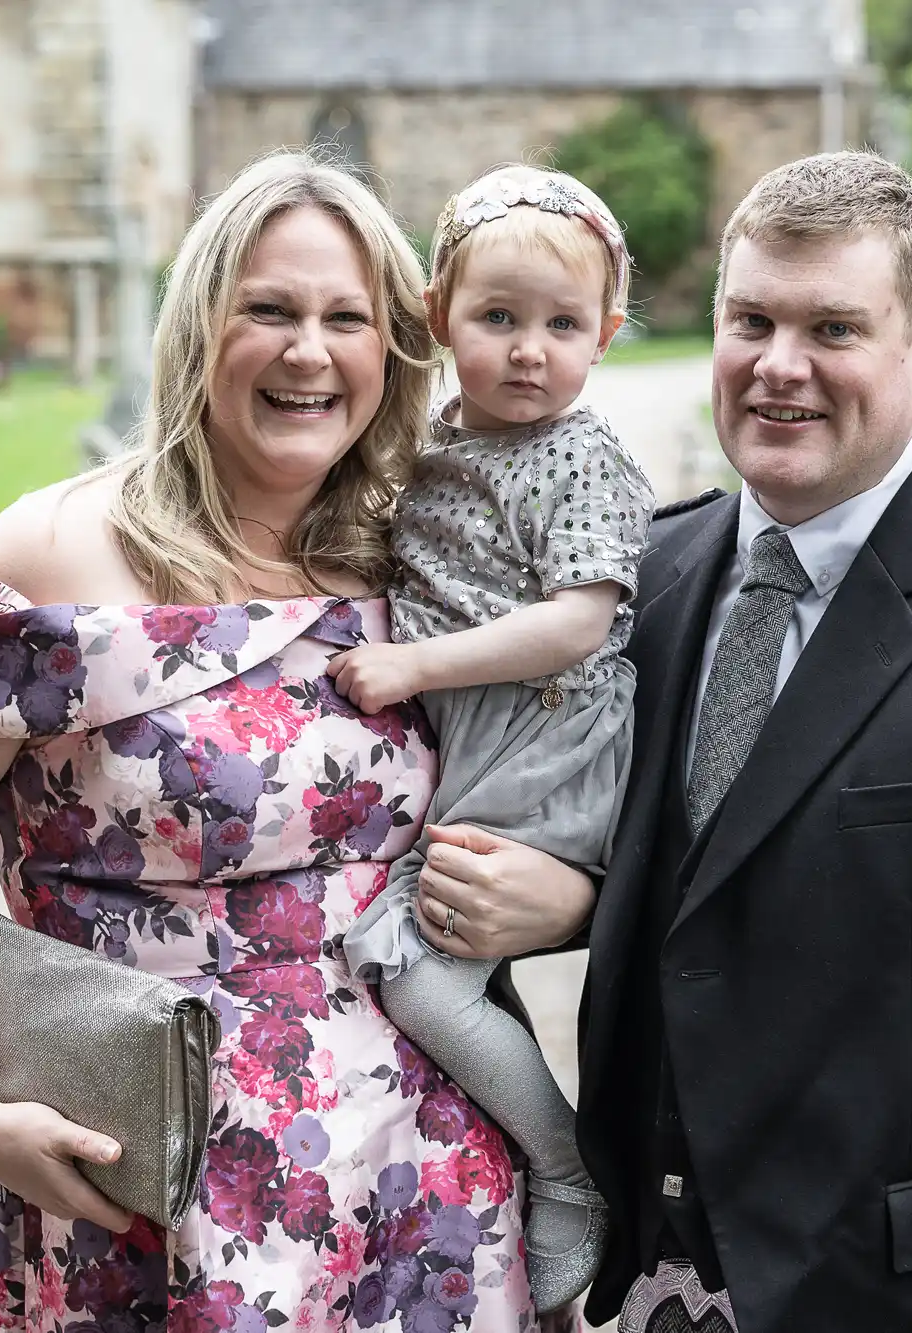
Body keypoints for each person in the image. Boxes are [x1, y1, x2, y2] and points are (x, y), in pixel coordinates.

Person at [416, 150, 912, 1332]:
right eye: (751, 322)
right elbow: (699, 883)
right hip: (641, 1295)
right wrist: (582, 899)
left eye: (833, 328)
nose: (779, 368)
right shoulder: (640, 582)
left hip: (889, 1296)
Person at [0, 152, 589, 1333]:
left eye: (348, 318)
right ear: (197, 325)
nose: (308, 351)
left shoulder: (424, 562)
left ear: (394, 348)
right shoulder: (44, 561)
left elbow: (553, 765)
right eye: (268, 310)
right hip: (141, 1197)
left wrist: (563, 898)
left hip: (421, 1192)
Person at [327, 164, 652, 1312]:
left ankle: (565, 1169)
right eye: (497, 318)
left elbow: (577, 623)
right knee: (434, 966)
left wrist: (413, 666)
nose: (529, 350)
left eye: (562, 325)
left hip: (545, 731)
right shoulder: (437, 446)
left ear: (604, 334)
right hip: (479, 731)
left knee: (416, 972)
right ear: (437, 319)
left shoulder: (581, 455)